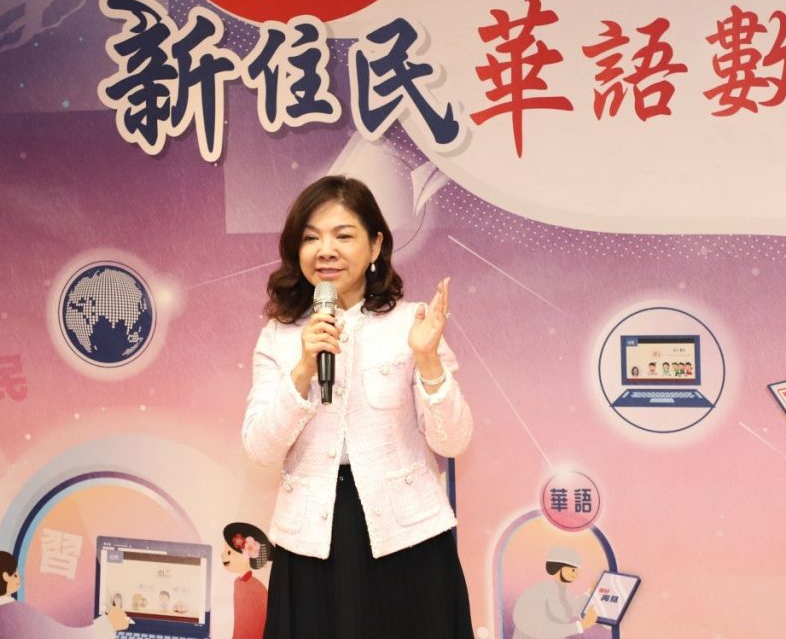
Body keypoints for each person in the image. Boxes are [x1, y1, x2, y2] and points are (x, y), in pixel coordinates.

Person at [241, 175, 474, 638]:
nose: (325, 250)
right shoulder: (279, 335)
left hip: (406, 538)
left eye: (343, 236)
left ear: (375, 246)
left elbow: (453, 440)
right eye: (311, 238)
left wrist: (428, 359)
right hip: (312, 540)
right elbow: (260, 449)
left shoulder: (411, 324)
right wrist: (303, 369)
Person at [0, 550, 130, 639]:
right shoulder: (16, 613)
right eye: (15, 573)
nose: (19, 576)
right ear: (6, 576)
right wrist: (108, 624)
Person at [512, 546, 598, 639]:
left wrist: (589, 592)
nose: (576, 574)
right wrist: (580, 626)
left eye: (577, 570)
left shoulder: (563, 591)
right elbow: (539, 628)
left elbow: (570, 608)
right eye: (573, 570)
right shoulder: (537, 592)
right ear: (558, 568)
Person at [222, 522, 273, 638]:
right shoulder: (240, 582)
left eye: (229, 552)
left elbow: (247, 626)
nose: (222, 555)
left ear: (247, 556)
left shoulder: (251, 586)